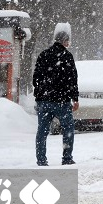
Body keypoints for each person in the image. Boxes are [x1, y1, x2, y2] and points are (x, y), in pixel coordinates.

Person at [33, 23, 79, 166]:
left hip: (45, 101)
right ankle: (67, 158)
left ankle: (41, 159)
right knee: (68, 129)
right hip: (62, 101)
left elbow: (36, 78)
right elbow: (73, 79)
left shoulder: (43, 55)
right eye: (68, 41)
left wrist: (40, 94)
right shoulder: (67, 56)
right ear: (65, 41)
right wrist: (74, 98)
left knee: (42, 131)